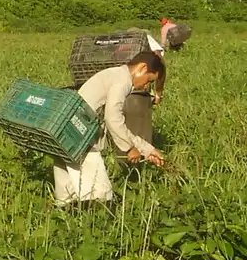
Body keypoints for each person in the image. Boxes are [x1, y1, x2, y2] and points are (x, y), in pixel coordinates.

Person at [55, 51, 167, 206]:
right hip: (79, 133)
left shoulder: (115, 74)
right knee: (100, 196)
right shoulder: (123, 81)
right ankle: (94, 220)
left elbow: (116, 123)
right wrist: (129, 148)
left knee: (67, 193)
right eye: (148, 80)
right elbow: (113, 118)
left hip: (65, 128)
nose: (145, 86)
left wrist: (147, 149)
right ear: (142, 68)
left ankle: (66, 214)